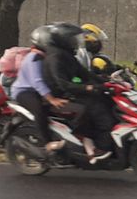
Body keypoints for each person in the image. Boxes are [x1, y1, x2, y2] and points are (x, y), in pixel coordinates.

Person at [43, 21, 116, 163]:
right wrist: (87, 88)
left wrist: (106, 82)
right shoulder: (55, 58)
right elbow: (63, 84)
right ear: (63, 40)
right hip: (59, 96)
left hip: (70, 93)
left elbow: (85, 74)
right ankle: (100, 147)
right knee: (97, 108)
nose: (76, 42)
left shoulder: (67, 55)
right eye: (72, 39)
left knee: (105, 99)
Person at [10, 26, 69, 153]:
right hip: (24, 91)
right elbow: (37, 82)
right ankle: (47, 142)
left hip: (37, 91)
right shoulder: (33, 59)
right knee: (39, 110)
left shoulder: (46, 57)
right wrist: (51, 99)